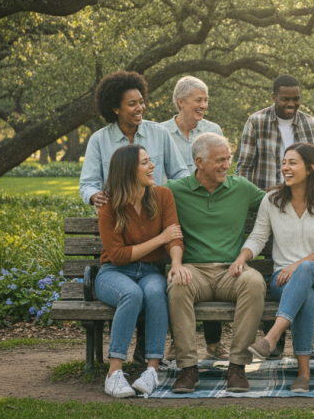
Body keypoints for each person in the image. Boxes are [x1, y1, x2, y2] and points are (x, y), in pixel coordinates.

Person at [235, 74, 314, 358]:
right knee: (295, 278)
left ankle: (271, 339)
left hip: (311, 214)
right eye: (285, 99)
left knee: (301, 271)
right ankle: (298, 360)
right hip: (271, 206)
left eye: (296, 99)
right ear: (274, 97)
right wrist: (247, 204)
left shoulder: (312, 124)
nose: (291, 104)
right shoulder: (256, 122)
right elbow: (244, 167)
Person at [236, 143, 314, 393]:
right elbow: (258, 236)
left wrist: (297, 265)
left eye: (292, 163)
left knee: (304, 270)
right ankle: (303, 375)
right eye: (284, 162)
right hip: (283, 280)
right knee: (306, 294)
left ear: (311, 168)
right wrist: (242, 257)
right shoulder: (272, 200)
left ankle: (272, 336)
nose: (286, 167)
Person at [164, 133, 267, 393]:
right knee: (177, 284)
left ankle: (238, 366)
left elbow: (277, 201)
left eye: (228, 159)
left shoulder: (241, 188)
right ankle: (188, 368)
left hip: (231, 271)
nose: (226, 165)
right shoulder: (175, 190)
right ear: (200, 162)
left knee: (254, 282)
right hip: (193, 271)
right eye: (220, 160)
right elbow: (140, 201)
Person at [94, 145, 189, 398]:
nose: (152, 166)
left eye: (150, 161)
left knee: (157, 292)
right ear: (128, 170)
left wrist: (176, 263)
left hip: (149, 271)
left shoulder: (162, 195)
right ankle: (114, 373)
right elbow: (118, 255)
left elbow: (174, 237)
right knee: (132, 294)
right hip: (114, 272)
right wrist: (160, 239)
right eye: (145, 162)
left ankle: (151, 371)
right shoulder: (109, 205)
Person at [159, 75, 227, 361]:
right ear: (181, 102)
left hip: (206, 207)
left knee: (208, 260)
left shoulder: (212, 130)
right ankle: (178, 342)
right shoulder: (161, 132)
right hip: (174, 209)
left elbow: (221, 167)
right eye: (198, 100)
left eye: (206, 100)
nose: (203, 105)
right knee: (179, 274)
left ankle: (213, 343)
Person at [80, 70, 189, 208]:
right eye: (132, 104)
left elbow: (180, 173)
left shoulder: (159, 133)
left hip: (154, 212)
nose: (140, 108)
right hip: (116, 214)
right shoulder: (98, 140)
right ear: (116, 108)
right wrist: (93, 194)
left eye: (141, 102)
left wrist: (167, 195)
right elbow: (88, 184)